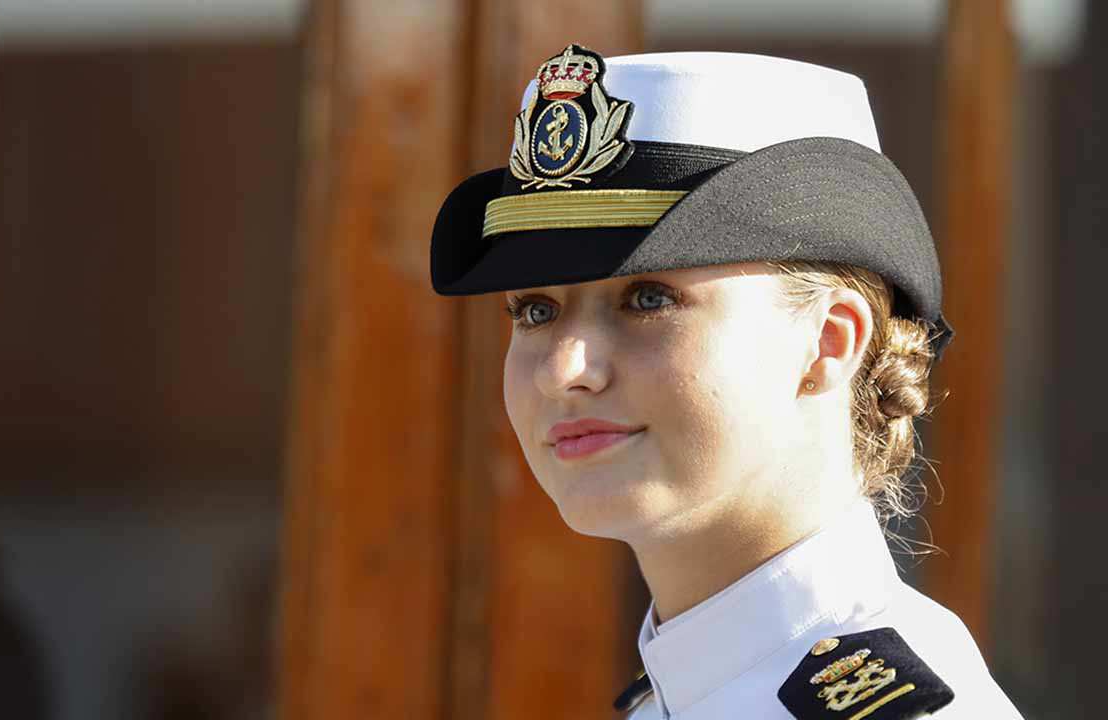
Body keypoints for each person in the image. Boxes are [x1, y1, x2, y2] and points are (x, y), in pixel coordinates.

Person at [429, 46, 1022, 719]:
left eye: (648, 299)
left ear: (829, 341)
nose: (564, 369)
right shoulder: (688, 686)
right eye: (535, 311)